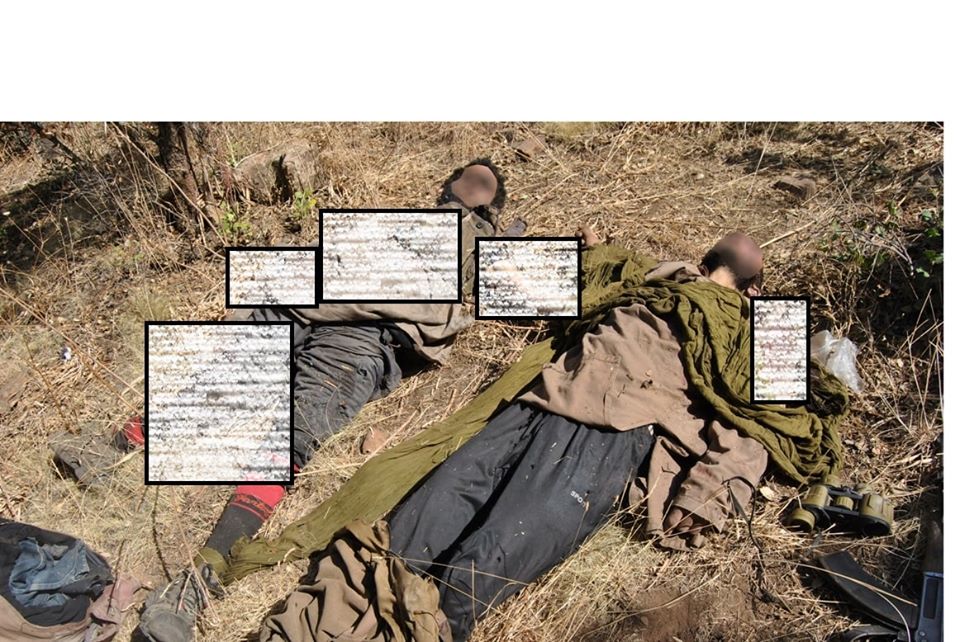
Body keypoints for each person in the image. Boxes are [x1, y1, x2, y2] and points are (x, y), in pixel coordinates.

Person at [50, 158, 510, 642]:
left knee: (292, 438)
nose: (472, 186)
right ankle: (116, 448)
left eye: (484, 184)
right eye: (467, 177)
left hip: (363, 335)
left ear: (491, 207)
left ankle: (193, 588)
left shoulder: (481, 243)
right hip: (304, 304)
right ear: (447, 185)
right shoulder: (400, 221)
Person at [290, 227, 770, 642]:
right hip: (540, 400)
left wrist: (708, 494)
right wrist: (592, 252)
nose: (747, 240)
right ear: (709, 260)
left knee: (477, 572)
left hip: (613, 430)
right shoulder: (657, 278)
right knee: (412, 531)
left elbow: (765, 423)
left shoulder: (745, 331)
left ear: (752, 289)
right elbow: (577, 275)